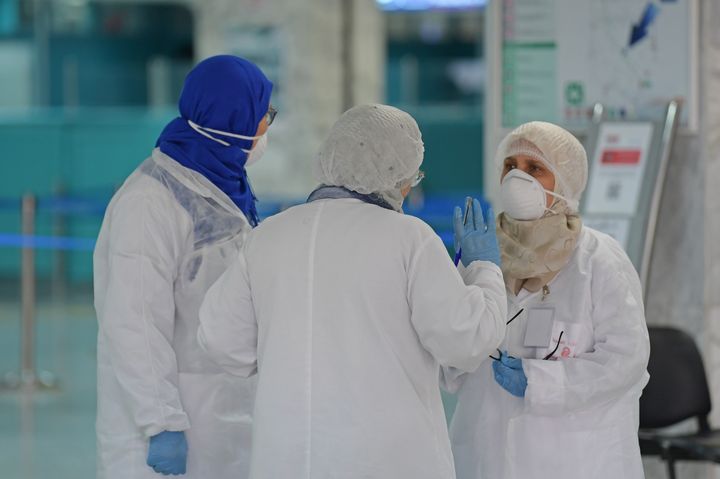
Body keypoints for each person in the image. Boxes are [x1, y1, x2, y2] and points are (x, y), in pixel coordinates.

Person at [197, 104, 507, 479]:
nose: (410, 185)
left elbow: (219, 340)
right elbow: (465, 340)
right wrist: (484, 270)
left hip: (290, 459)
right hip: (387, 461)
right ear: (395, 174)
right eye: (412, 174)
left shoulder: (268, 237)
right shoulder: (409, 237)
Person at [93, 55, 274, 479]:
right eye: (263, 115)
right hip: (164, 423)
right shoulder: (150, 202)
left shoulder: (222, 184)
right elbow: (134, 321)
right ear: (234, 118)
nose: (266, 127)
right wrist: (162, 423)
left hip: (223, 412)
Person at [445, 121, 650, 479]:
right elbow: (450, 359)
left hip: (576, 459)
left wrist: (542, 382)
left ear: (566, 182)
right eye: (511, 166)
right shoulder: (484, 253)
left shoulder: (599, 260)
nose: (517, 179)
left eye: (535, 168)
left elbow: (625, 358)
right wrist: (473, 272)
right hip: (486, 456)